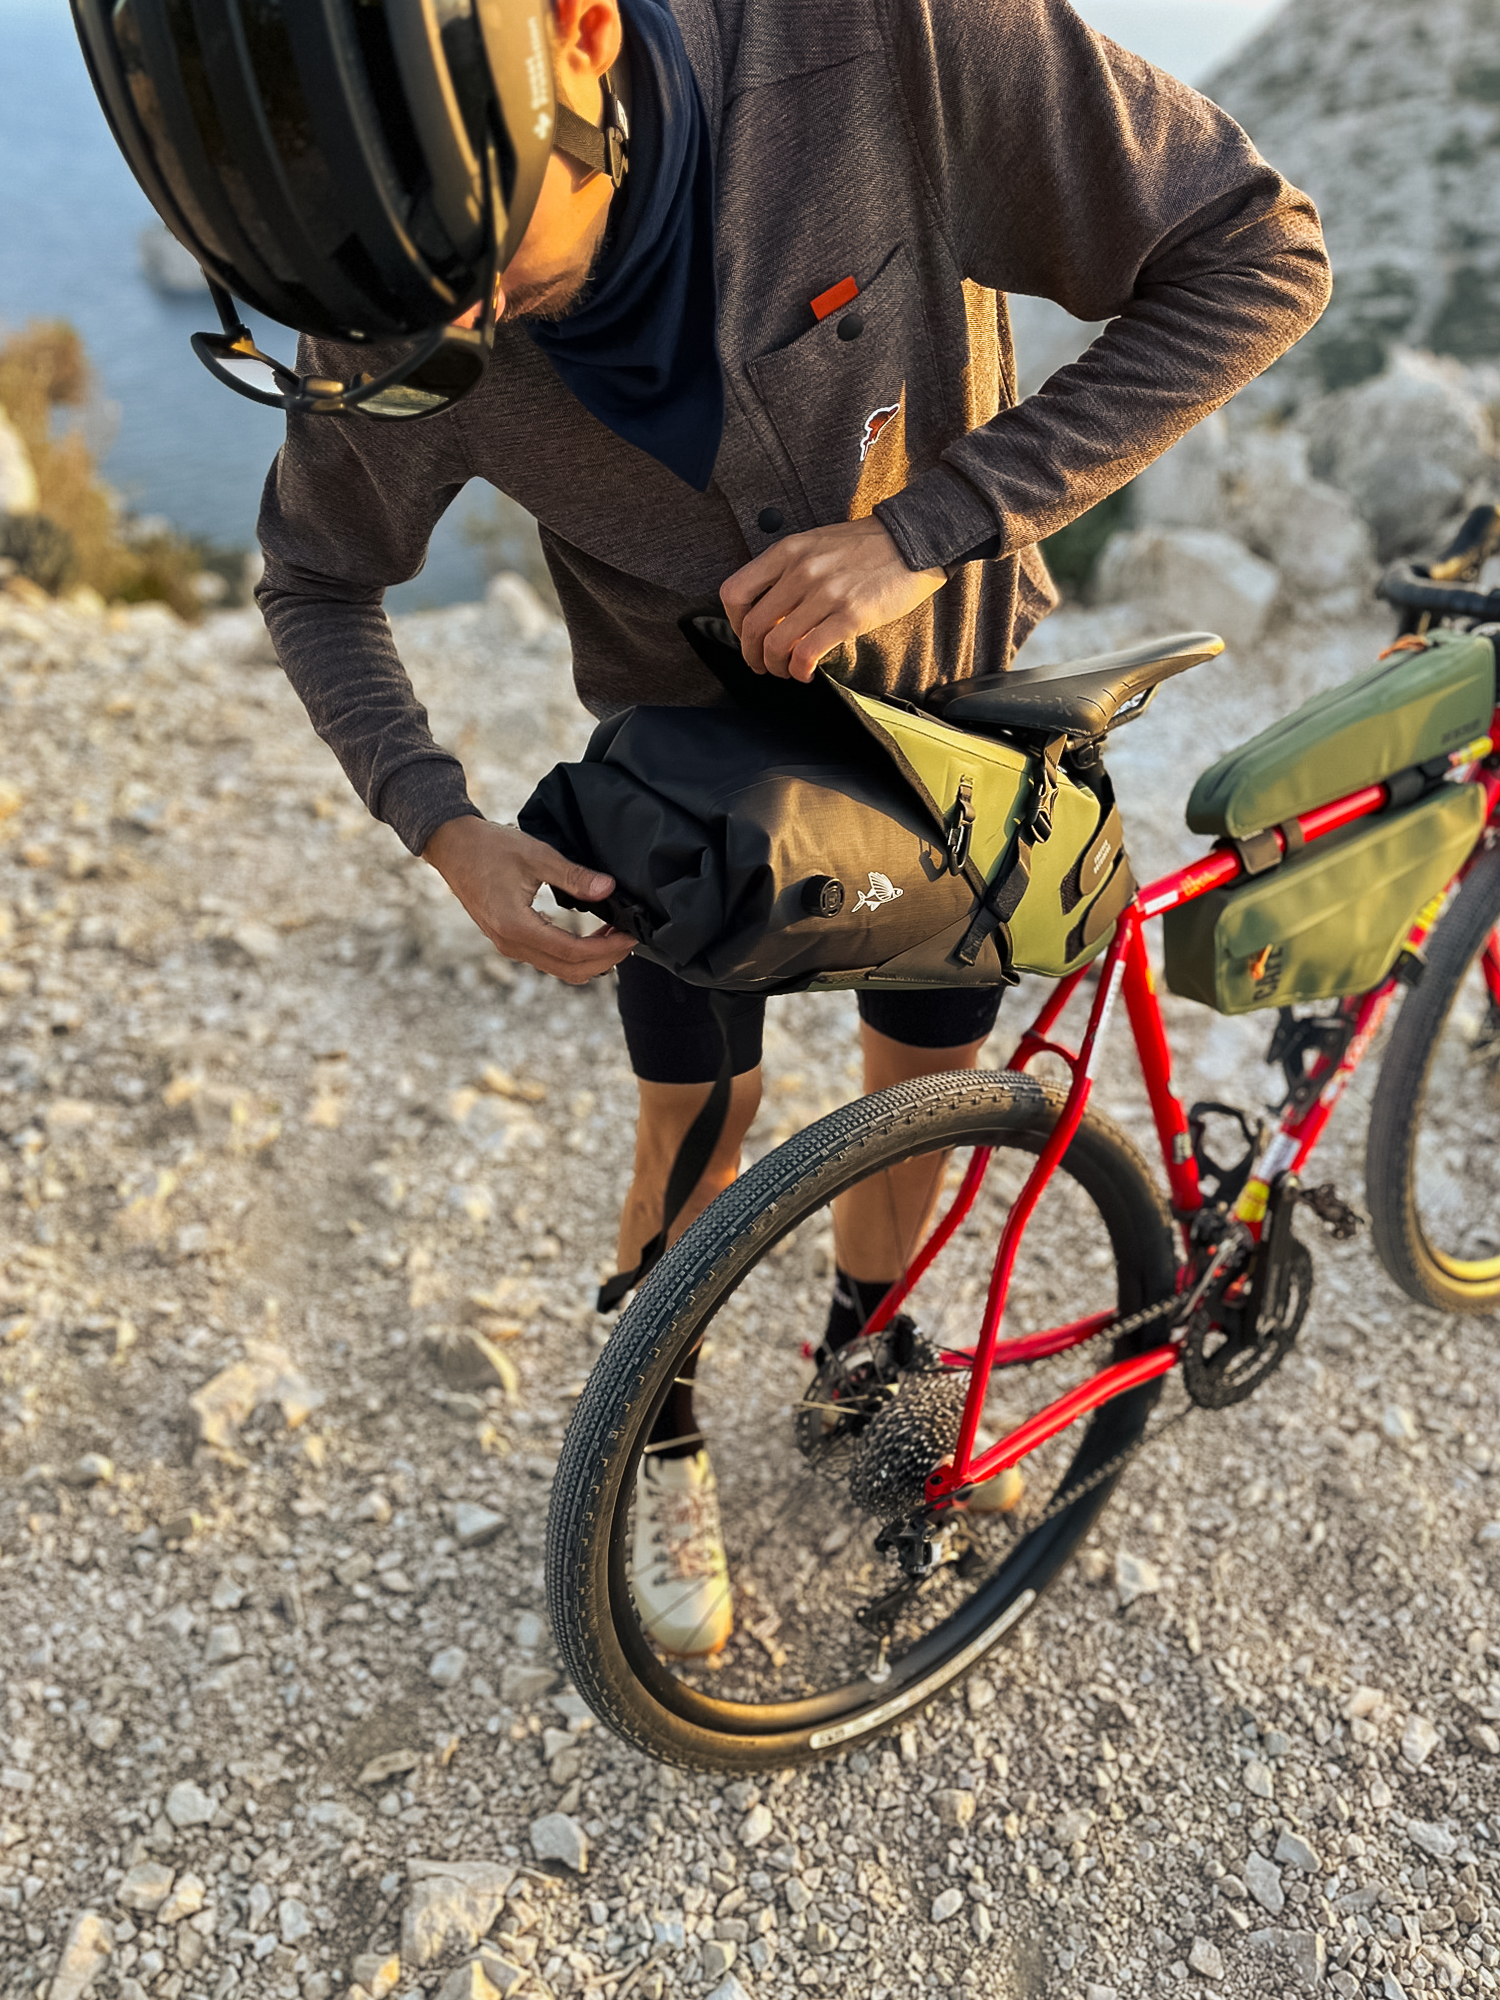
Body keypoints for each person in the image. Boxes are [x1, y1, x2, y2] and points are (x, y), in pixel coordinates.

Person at [89, 0, 1331, 1655]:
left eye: (493, 287)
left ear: (581, 36)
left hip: (955, 728)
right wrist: (443, 827)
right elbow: (316, 578)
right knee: (694, 1115)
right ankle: (658, 1417)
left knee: (925, 1084)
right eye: (411, 330)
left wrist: (925, 527)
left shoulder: (882, 41)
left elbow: (1259, 255)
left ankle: (863, 1355)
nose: (452, 344)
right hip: (680, 786)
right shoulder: (390, 267)